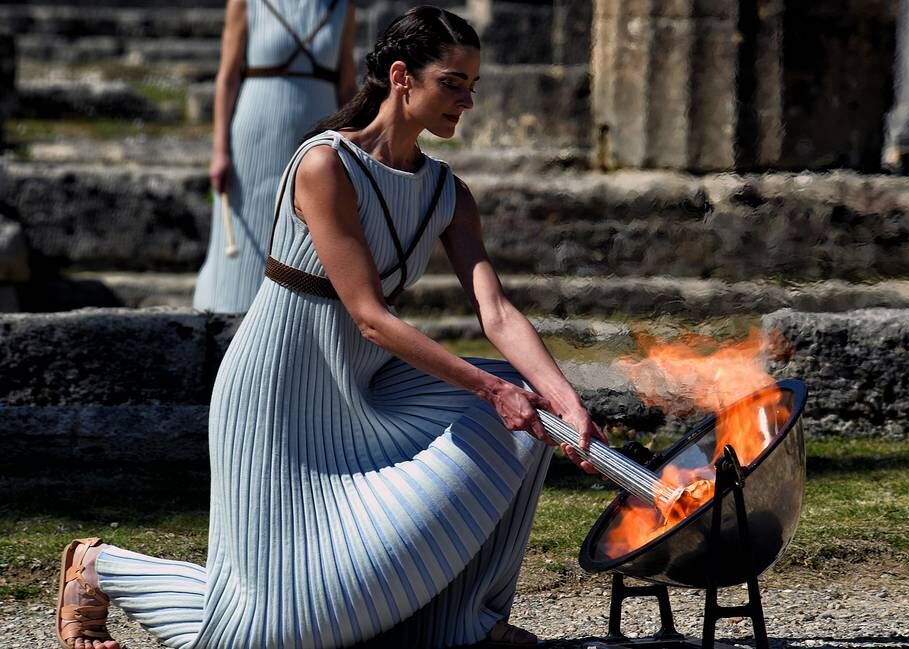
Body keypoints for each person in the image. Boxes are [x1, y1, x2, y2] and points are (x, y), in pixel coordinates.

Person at [55, 6, 606, 649]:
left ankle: (458, 627)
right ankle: (99, 569)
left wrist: (564, 401)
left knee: (529, 418)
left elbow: (498, 313)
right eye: (452, 83)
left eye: (472, 86)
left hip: (364, 392)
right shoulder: (325, 165)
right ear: (402, 77)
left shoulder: (450, 194)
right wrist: (493, 390)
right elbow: (369, 318)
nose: (469, 100)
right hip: (277, 394)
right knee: (272, 629)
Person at [193, 0, 357, 314]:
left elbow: (346, 85)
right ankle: (227, 318)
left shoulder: (341, 6)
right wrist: (219, 150)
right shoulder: (246, 2)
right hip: (256, 132)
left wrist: (356, 145)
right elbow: (227, 78)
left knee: (311, 231)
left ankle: (298, 322)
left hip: (318, 137)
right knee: (248, 233)